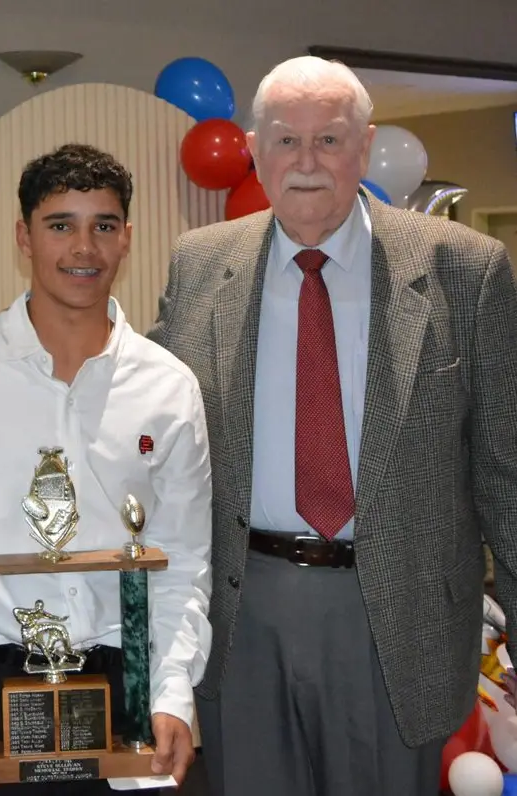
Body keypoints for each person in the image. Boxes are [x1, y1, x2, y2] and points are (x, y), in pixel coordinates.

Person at [142, 56, 517, 795]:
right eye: (286, 140)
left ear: (366, 146)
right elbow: (139, 411)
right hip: (244, 611)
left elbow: (507, 469)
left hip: (398, 619)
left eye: (329, 140)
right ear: (255, 148)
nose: (306, 162)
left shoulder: (464, 269)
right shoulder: (198, 264)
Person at [0, 143, 213, 796]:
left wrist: (173, 691)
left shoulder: (170, 387)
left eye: (104, 226)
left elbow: (183, 562)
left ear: (127, 240)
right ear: (24, 238)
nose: (83, 248)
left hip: (128, 686)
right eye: (60, 225)